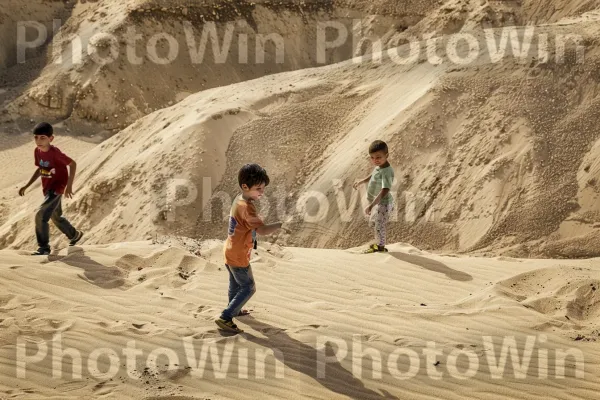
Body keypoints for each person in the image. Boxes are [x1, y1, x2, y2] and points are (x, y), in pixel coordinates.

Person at [215, 164, 284, 333]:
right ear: (245, 187)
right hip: (239, 255)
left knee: (235, 284)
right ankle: (226, 316)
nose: (262, 192)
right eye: (258, 188)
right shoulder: (247, 207)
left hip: (230, 250)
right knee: (248, 287)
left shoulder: (239, 200)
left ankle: (235, 309)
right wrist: (280, 224)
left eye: (263, 188)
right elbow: (262, 230)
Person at [18, 122, 83, 255]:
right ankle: (74, 235)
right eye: (36, 137)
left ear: (51, 138)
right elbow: (40, 169)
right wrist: (27, 185)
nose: (38, 141)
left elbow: (72, 164)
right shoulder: (37, 151)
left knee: (40, 215)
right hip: (47, 188)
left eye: (42, 137)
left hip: (57, 188)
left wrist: (69, 186)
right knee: (55, 216)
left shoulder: (55, 153)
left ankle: (43, 248)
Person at [353, 140, 395, 253]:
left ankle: (381, 247)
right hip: (378, 203)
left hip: (384, 203)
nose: (375, 160)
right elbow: (373, 175)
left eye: (378, 157)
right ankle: (378, 242)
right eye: (372, 157)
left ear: (386, 155)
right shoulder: (379, 166)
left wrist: (371, 205)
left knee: (379, 224)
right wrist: (362, 181)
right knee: (373, 223)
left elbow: (385, 190)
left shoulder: (387, 171)